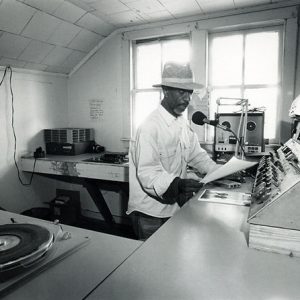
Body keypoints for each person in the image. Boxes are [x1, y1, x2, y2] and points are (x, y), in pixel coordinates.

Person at [127, 62, 219, 240]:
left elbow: (198, 156)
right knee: (149, 262)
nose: (187, 99)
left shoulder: (182, 124)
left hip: (174, 208)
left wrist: (220, 172)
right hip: (150, 213)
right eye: (181, 92)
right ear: (165, 91)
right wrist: (178, 185)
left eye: (189, 93)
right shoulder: (150, 127)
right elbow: (148, 174)